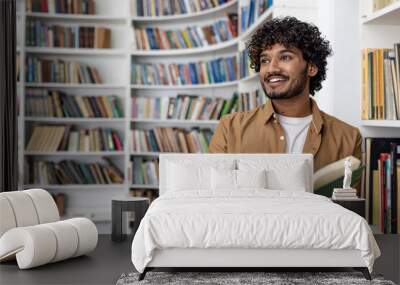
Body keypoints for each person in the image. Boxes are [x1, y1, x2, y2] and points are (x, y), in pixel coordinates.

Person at [208, 16, 362, 172]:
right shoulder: (230, 128)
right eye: (265, 60)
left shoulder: (348, 138)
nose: (272, 69)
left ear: (311, 68)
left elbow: (347, 196)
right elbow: (214, 193)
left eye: (285, 57)